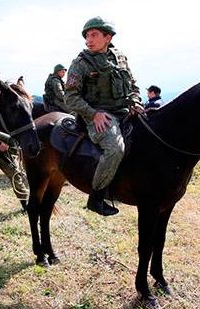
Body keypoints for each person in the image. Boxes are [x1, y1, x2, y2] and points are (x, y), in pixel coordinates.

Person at [65, 16, 143, 216]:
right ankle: (96, 197)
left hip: (124, 111)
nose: (88, 40)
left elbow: (133, 85)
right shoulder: (80, 63)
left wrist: (135, 101)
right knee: (115, 148)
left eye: (94, 35)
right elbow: (70, 98)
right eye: (87, 36)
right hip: (97, 116)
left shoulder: (120, 57)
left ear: (107, 37)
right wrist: (94, 114)